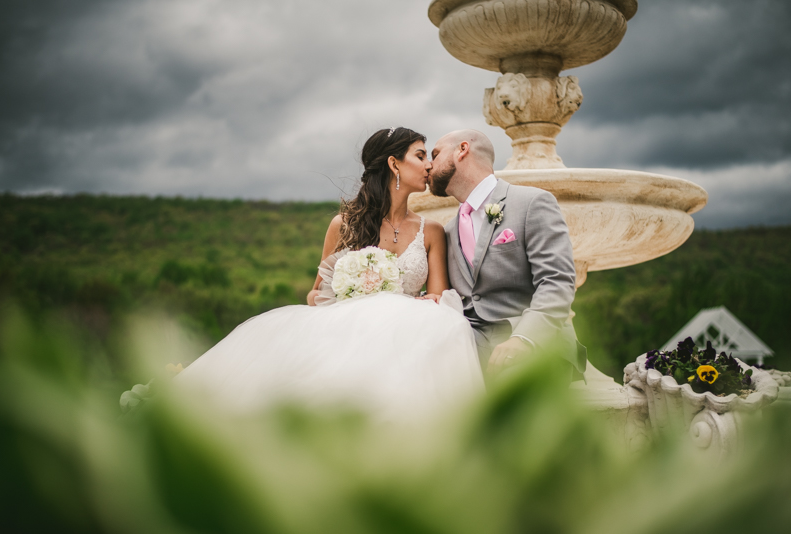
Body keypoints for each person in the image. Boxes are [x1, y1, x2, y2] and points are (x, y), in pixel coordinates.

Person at [175, 127, 484, 420]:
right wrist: (354, 292)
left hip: (403, 342)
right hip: (348, 334)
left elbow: (438, 297)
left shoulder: (430, 231)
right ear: (394, 164)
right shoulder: (344, 224)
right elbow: (315, 294)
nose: (429, 165)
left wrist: (394, 307)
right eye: (420, 156)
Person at [428, 129, 587, 379]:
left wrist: (524, 339)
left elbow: (557, 281)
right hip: (468, 348)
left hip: (535, 346)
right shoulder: (446, 232)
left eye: (435, 154)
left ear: (462, 150)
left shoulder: (532, 203)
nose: (429, 165)